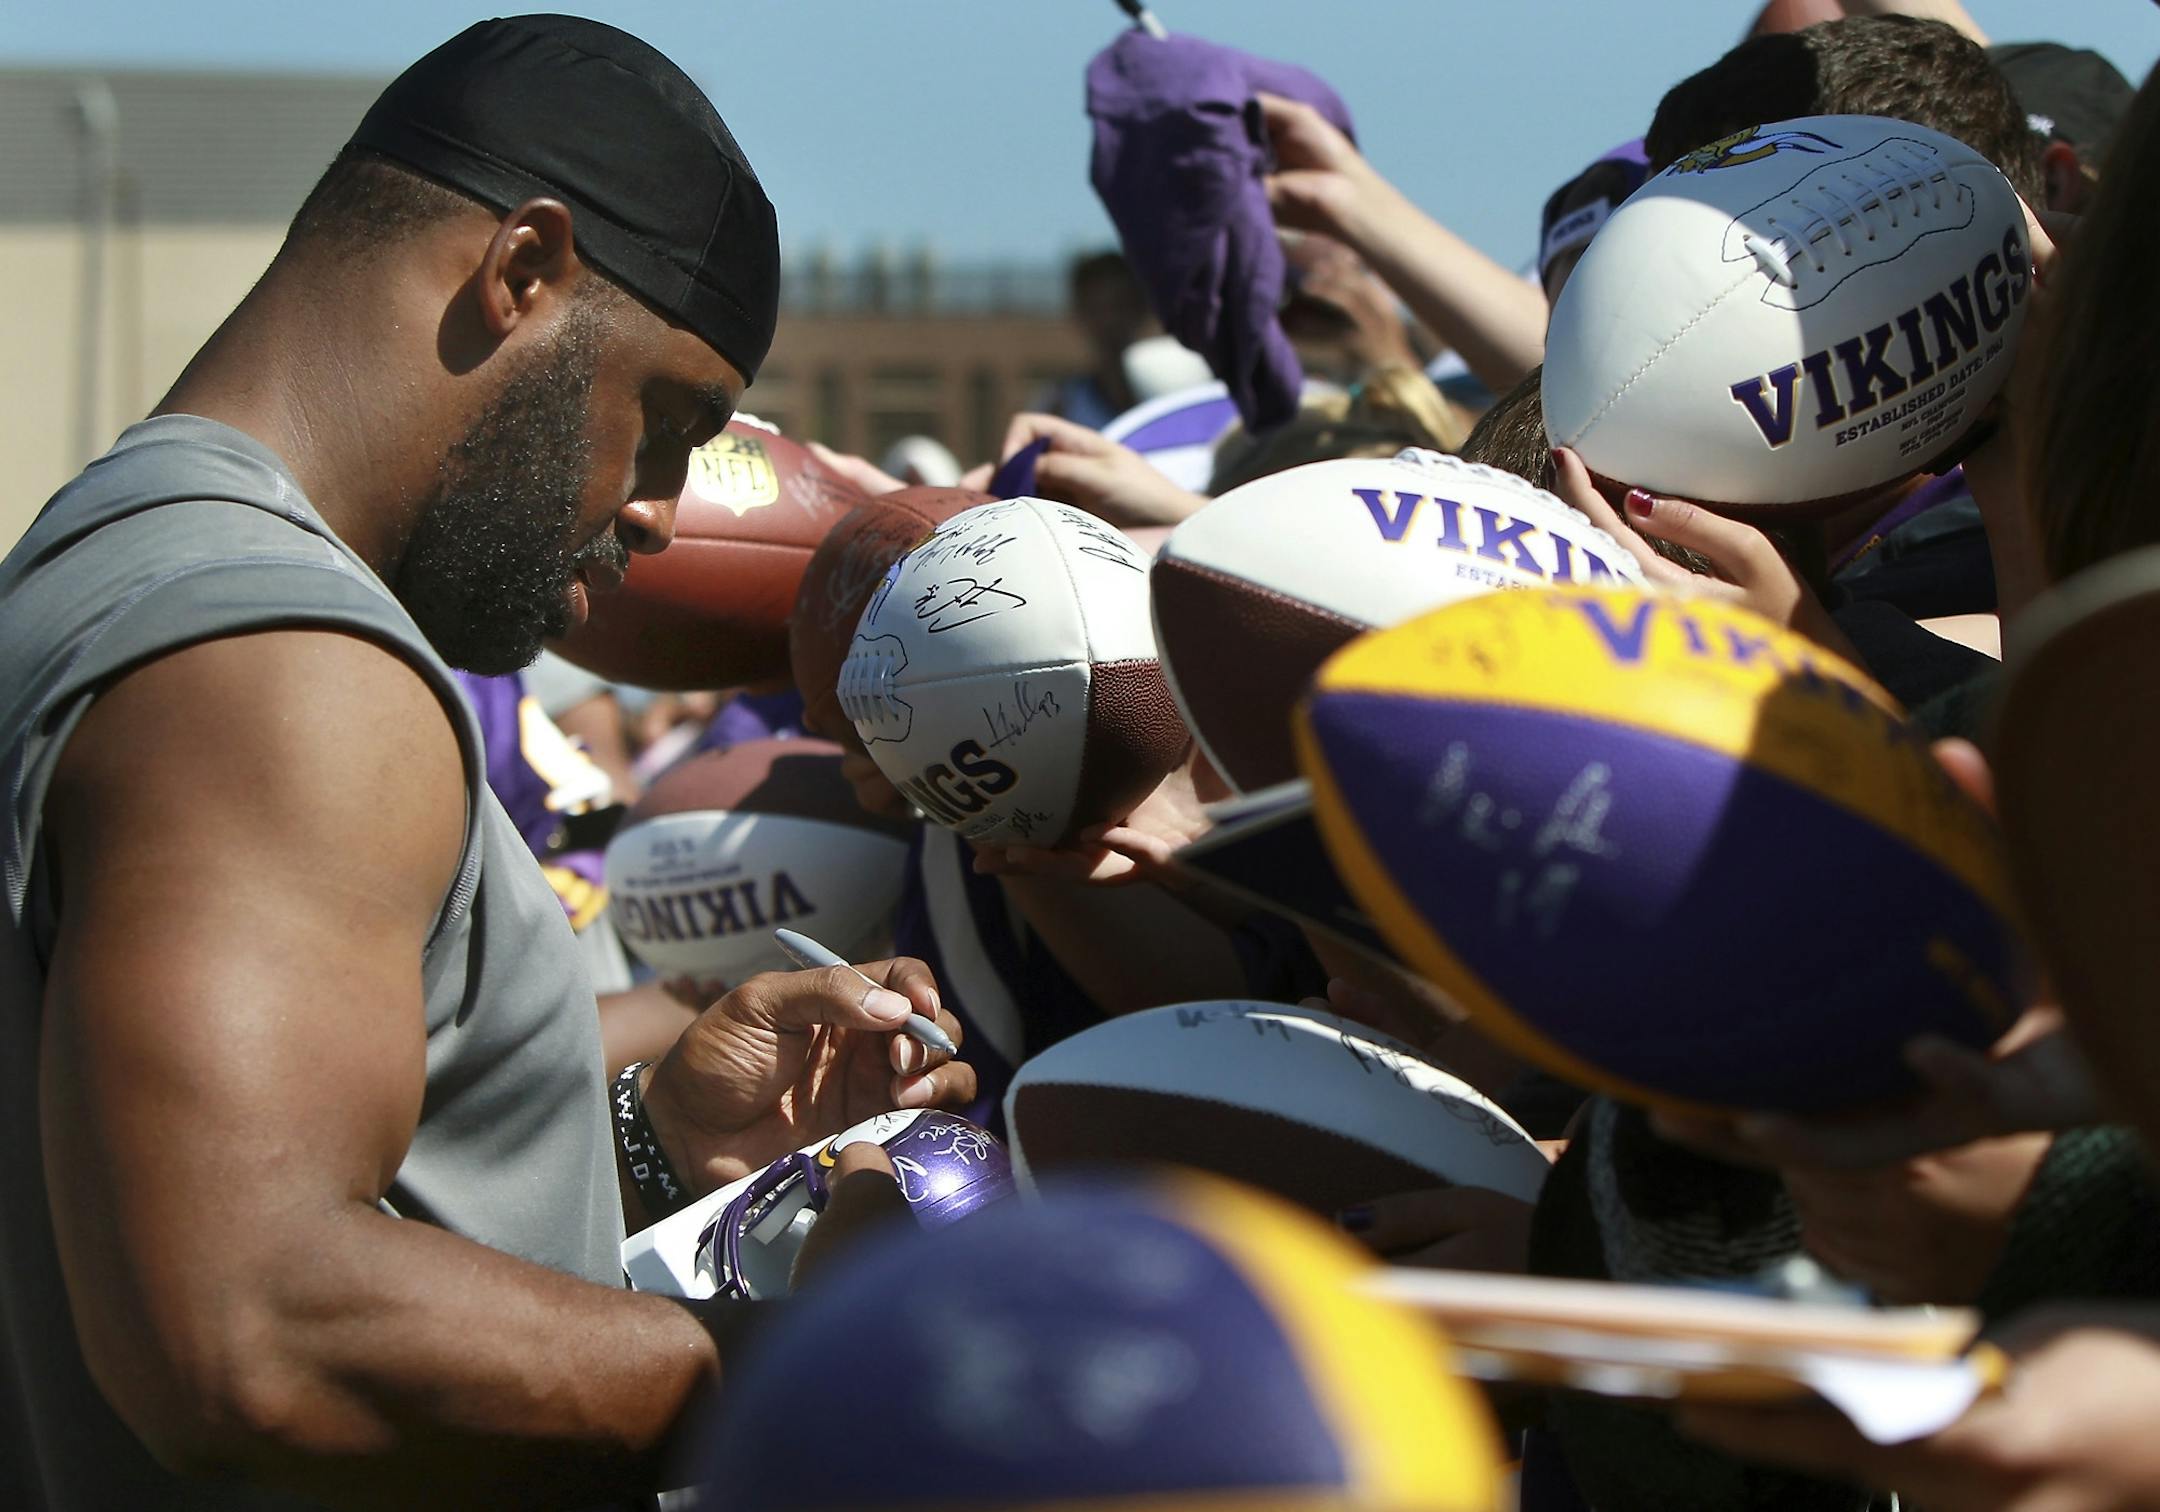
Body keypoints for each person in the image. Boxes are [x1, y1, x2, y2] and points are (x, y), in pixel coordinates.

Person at [0, 17, 973, 1507]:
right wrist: (791, 1370)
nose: (659, 510)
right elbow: (257, 1328)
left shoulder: (112, 549)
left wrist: (640, 1149)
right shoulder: (285, 663)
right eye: (674, 420)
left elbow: (228, 1185)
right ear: (524, 272)